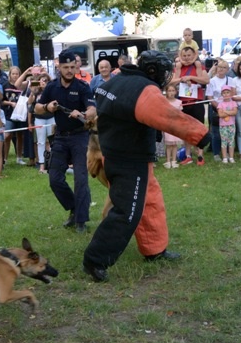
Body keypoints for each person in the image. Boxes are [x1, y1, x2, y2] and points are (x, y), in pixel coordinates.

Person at [82, 51, 210, 282]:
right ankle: (95, 259)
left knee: (150, 202)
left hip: (117, 154)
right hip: (129, 159)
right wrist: (201, 135)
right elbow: (168, 117)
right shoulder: (143, 91)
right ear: (154, 71)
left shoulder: (116, 80)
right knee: (127, 212)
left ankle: (154, 249)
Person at [35, 49, 97, 233]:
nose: (70, 70)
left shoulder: (83, 87)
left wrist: (84, 113)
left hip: (80, 136)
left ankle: (81, 221)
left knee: (80, 179)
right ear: (59, 67)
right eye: (66, 67)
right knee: (54, 180)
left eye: (72, 66)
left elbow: (93, 110)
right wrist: (47, 106)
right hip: (60, 137)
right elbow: (37, 108)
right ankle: (73, 207)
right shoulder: (52, 87)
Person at [170, 46, 209, 165]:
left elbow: (206, 80)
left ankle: (200, 156)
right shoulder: (178, 68)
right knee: (186, 130)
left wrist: (191, 77)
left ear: (194, 55)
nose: (187, 58)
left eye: (189, 56)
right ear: (181, 56)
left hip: (196, 102)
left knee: (199, 129)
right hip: (184, 103)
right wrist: (181, 79)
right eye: (184, 56)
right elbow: (171, 81)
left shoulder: (199, 66)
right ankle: (188, 155)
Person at [206, 59, 232, 161]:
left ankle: (228, 153)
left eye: (224, 67)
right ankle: (216, 153)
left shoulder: (230, 80)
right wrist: (218, 107)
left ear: (227, 69)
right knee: (216, 132)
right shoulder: (212, 81)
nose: (221, 69)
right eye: (219, 67)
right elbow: (210, 96)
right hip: (215, 108)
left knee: (228, 132)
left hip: (228, 109)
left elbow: (233, 94)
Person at [28, 74, 54, 174]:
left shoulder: (51, 91)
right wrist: (32, 92)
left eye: (45, 81)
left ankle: (52, 164)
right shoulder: (36, 92)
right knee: (41, 142)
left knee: (52, 141)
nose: (43, 82)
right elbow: (29, 103)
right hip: (39, 119)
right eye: (41, 81)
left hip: (51, 118)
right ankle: (42, 166)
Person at [217, 85, 238, 163]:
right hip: (223, 126)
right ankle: (225, 157)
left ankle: (231, 157)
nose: (226, 94)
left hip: (231, 125)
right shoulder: (220, 104)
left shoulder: (233, 103)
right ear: (222, 94)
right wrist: (230, 113)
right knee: (224, 141)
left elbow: (235, 112)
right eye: (224, 93)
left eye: (227, 92)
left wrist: (225, 112)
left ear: (230, 93)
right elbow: (220, 115)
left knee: (231, 141)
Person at [163, 84, 182, 168]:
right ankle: (168, 161)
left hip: (176, 125)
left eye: (173, 91)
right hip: (167, 125)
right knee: (168, 144)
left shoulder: (179, 102)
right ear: (166, 92)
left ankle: (174, 161)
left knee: (174, 144)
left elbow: (180, 114)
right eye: (169, 91)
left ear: (176, 92)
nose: (171, 92)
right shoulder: (164, 101)